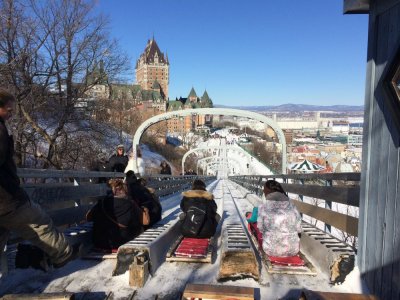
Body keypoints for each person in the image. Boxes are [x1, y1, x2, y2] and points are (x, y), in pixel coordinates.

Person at [0, 89, 74, 268]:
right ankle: (65, 258)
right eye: (8, 110)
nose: (11, 115)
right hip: (8, 201)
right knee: (41, 226)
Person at [86, 178, 143, 250]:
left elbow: (89, 218)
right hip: (122, 242)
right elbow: (139, 222)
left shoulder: (102, 202)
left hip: (100, 243)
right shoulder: (130, 204)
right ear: (124, 190)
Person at [257, 180, 302, 257]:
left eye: (264, 190)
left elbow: (260, 228)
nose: (263, 191)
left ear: (267, 192)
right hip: (293, 250)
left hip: (271, 250)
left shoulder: (263, 206)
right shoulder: (291, 204)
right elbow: (299, 228)